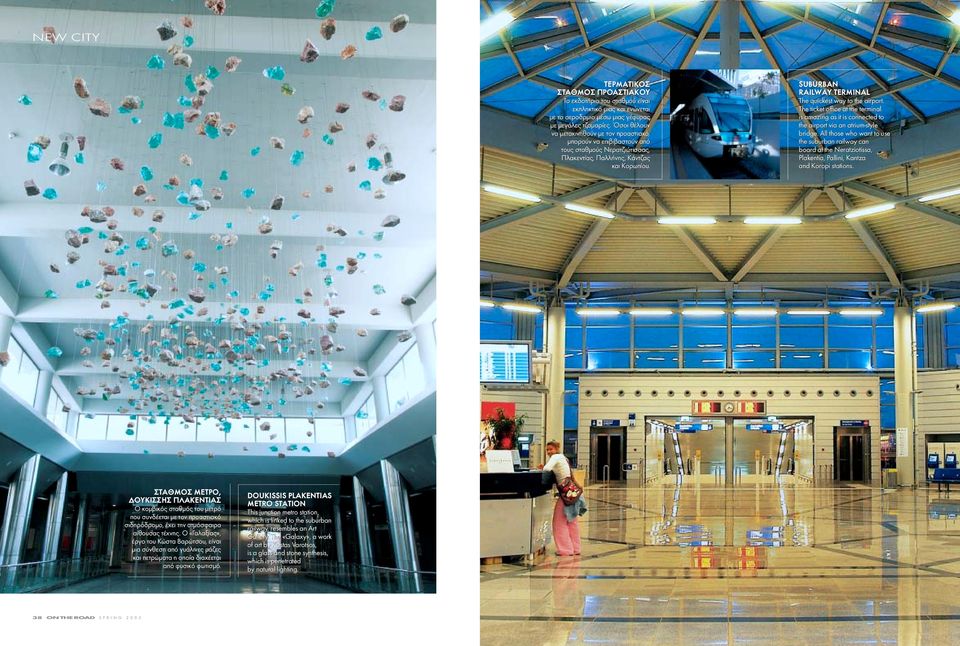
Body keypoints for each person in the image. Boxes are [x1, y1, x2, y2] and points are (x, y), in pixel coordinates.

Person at [541, 440, 586, 556]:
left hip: (566, 494)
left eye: (551, 449)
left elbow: (546, 469)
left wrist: (542, 468)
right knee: (572, 521)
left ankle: (565, 550)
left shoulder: (555, 457)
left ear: (556, 449)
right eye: (547, 450)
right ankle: (576, 548)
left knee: (558, 522)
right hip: (573, 493)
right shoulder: (563, 458)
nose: (549, 452)